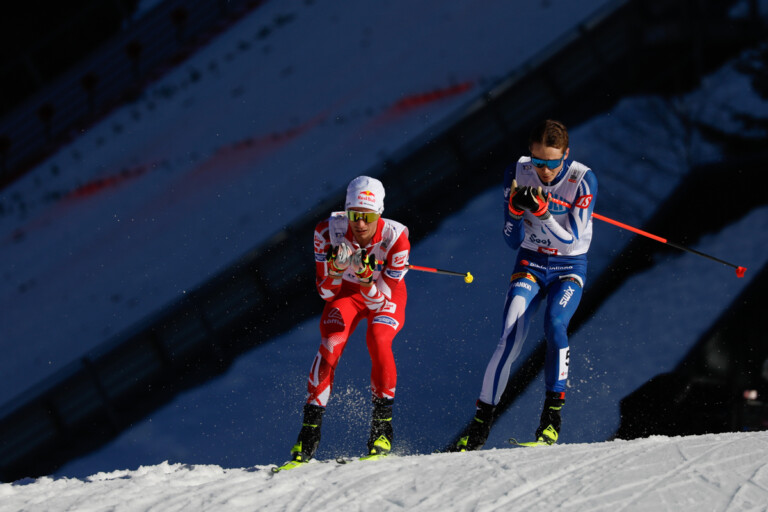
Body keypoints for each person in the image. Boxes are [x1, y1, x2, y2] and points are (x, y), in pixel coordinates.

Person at [457, 119, 598, 450]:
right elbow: (511, 240)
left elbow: (571, 240)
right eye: (538, 162)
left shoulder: (582, 180)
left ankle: (551, 422)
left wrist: (545, 213)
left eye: (552, 163)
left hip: (568, 266)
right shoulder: (518, 173)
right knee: (509, 335)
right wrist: (516, 213)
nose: (544, 171)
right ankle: (479, 427)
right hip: (531, 263)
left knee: (555, 325)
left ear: (566, 155)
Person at [282, 176, 410, 467]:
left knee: (378, 340)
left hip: (382, 293)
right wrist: (336, 270)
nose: (360, 224)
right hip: (347, 294)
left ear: (380, 213)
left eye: (368, 217)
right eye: (354, 215)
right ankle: (309, 433)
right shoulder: (326, 232)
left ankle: (381, 429)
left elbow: (381, 302)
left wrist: (366, 280)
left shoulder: (397, 238)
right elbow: (326, 292)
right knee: (330, 344)